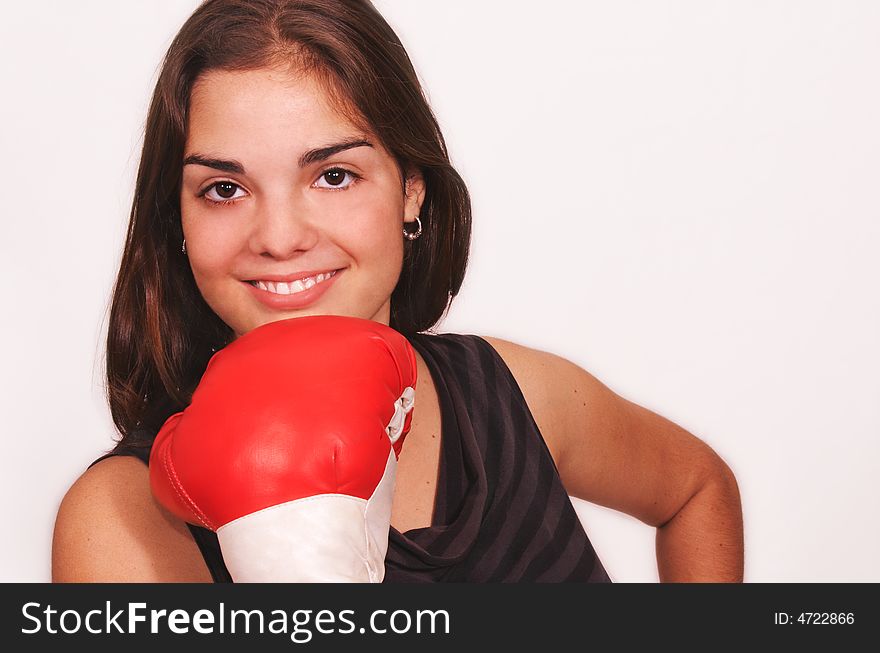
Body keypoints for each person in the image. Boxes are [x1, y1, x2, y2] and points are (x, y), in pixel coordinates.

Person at [51, 0, 743, 583]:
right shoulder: (121, 524)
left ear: (411, 189)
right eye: (224, 189)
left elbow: (696, 490)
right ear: (177, 219)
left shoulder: (512, 396)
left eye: (333, 175)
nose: (280, 236)